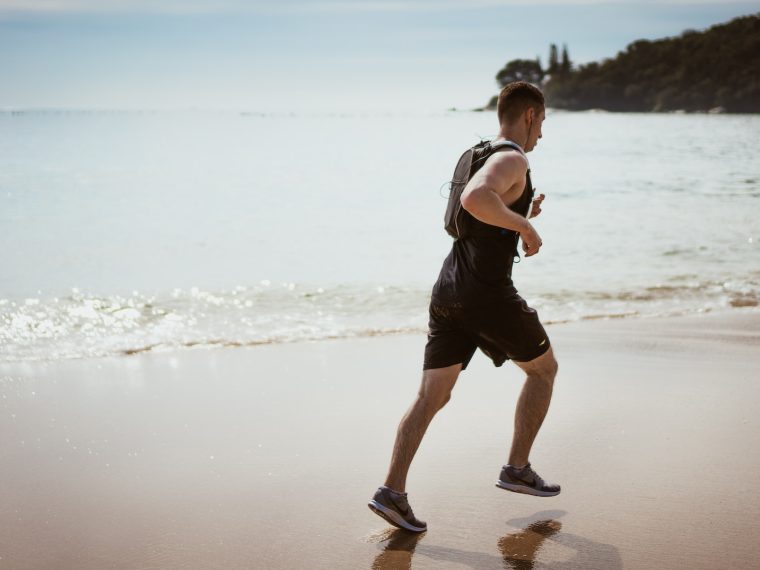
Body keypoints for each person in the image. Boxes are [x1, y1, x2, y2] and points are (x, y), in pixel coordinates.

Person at [368, 81, 560, 533]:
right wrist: (525, 230)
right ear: (530, 115)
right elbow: (476, 200)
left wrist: (516, 215)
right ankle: (517, 468)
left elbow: (466, 218)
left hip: (448, 291)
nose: (542, 136)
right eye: (543, 123)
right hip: (485, 295)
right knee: (544, 370)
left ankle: (391, 492)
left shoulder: (476, 153)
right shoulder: (513, 157)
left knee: (431, 396)